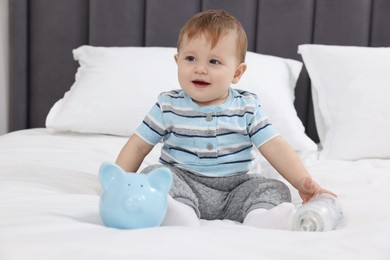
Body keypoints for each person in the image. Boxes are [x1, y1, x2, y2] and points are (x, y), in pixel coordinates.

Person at [116, 9, 335, 229]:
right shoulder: (168, 105)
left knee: (275, 188)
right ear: (177, 61)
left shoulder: (247, 107)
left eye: (214, 61)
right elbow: (137, 146)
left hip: (235, 189)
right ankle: (179, 212)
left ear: (237, 73)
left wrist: (301, 182)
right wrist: (119, 181)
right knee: (153, 176)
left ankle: (260, 217)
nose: (200, 69)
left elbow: (275, 146)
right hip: (183, 181)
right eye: (190, 58)